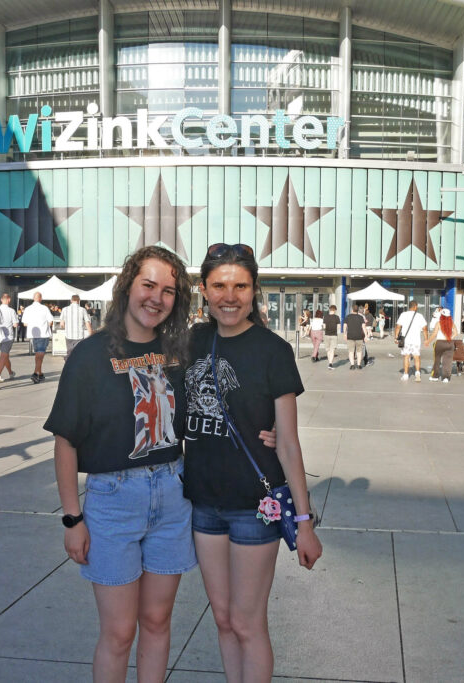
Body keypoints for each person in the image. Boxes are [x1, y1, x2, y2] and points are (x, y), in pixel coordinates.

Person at [46, 246, 197, 683]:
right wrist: (73, 518)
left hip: (172, 496)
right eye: (148, 285)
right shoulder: (91, 355)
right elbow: (65, 441)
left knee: (156, 622)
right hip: (112, 503)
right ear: (128, 286)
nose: (157, 298)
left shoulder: (179, 353)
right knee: (117, 632)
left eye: (168, 290)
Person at [184, 243, 322, 682]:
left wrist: (303, 522)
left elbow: (289, 443)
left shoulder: (272, 350)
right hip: (203, 504)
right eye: (220, 285)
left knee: (246, 621)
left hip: (255, 508)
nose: (230, 296)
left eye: (240, 286)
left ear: (254, 289)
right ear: (203, 289)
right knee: (223, 619)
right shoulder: (190, 341)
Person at [22, 292, 54, 383]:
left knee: (38, 355)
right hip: (43, 333)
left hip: (33, 334)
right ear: (40, 298)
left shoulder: (28, 309)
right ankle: (35, 373)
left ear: (33, 298)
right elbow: (50, 321)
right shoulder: (44, 308)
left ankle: (40, 373)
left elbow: (25, 323)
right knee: (40, 354)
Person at [394, 300, 427, 382]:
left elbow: (398, 326)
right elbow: (425, 328)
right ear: (415, 306)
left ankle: (405, 375)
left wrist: (395, 337)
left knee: (406, 357)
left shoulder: (403, 315)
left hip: (406, 340)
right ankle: (418, 374)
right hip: (416, 340)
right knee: (416, 357)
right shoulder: (419, 316)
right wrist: (426, 339)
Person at [425, 308, 457, 383]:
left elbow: (434, 334)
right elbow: (456, 333)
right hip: (449, 343)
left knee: (437, 360)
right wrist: (450, 338)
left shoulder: (438, 323)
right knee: (448, 361)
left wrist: (428, 341)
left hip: (439, 343)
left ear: (441, 315)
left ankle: (435, 376)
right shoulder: (451, 323)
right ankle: (446, 377)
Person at [0, 293, 18, 382]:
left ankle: (10, 372)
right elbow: (15, 324)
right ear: (9, 300)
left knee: (5, 356)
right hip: (8, 337)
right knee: (4, 356)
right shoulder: (11, 311)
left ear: (1, 300)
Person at [61, 294, 92, 359]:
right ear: (79, 301)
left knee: (69, 352)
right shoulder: (82, 310)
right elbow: (87, 322)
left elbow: (62, 324)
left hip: (69, 335)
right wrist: (91, 333)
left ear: (71, 300)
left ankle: (68, 363)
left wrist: (65, 327)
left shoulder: (64, 309)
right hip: (79, 336)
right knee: (79, 353)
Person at [344, 304, 368, 370]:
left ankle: (352, 365)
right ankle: (359, 365)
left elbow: (345, 326)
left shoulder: (348, 317)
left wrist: (345, 334)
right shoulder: (360, 317)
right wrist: (366, 336)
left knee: (351, 351)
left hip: (350, 336)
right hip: (359, 336)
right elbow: (364, 327)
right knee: (359, 351)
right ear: (358, 310)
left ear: (352, 309)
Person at [322, 304, 340, 369]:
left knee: (328, 350)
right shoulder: (337, 317)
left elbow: (324, 326)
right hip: (334, 335)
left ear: (329, 309)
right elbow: (338, 326)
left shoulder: (325, 317)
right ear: (335, 310)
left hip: (326, 334)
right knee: (332, 350)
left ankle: (329, 362)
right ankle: (330, 363)